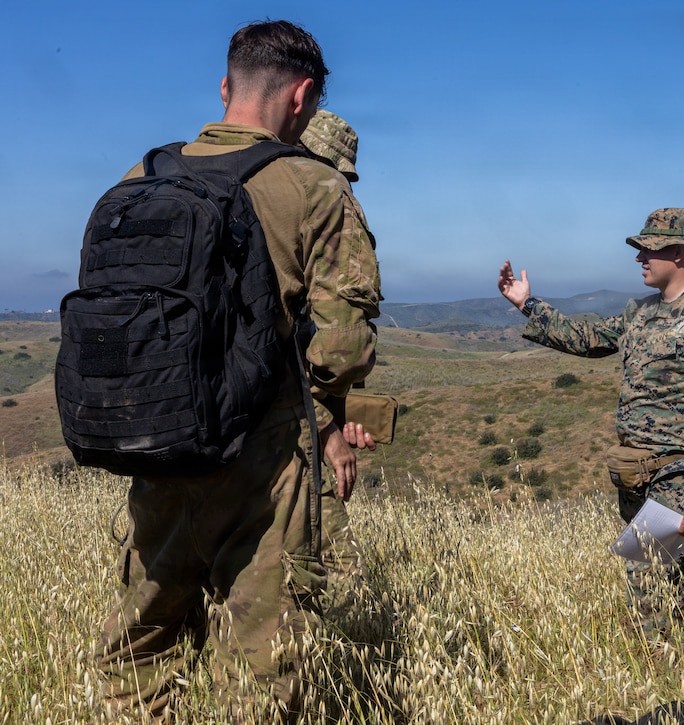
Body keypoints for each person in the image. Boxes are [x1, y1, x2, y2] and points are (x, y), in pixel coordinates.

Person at [96, 20, 382, 722]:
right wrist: (328, 418)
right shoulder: (314, 188)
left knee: (143, 641)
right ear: (304, 97)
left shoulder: (143, 176)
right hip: (260, 463)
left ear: (225, 86)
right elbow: (340, 350)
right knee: (263, 662)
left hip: (155, 448)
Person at [497, 208, 684, 636]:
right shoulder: (641, 313)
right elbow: (587, 338)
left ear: (682, 253)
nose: (639, 258)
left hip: (680, 478)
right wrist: (528, 304)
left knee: (668, 594)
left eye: (649, 249)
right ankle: (682, 680)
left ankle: (676, 684)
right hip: (637, 477)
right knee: (670, 591)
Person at [299, 109, 369, 581]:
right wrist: (324, 427)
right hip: (295, 429)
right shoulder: (322, 197)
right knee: (339, 580)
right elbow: (340, 345)